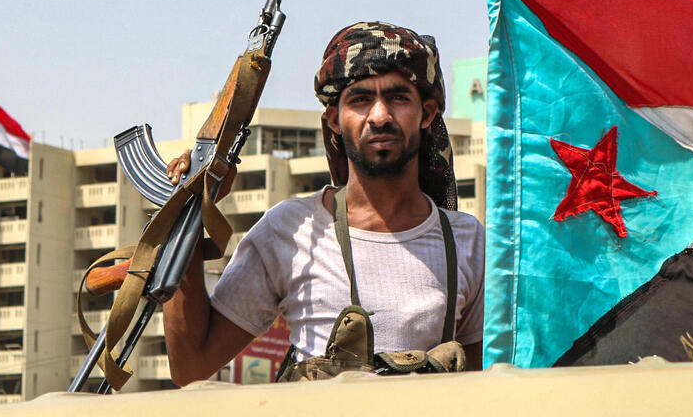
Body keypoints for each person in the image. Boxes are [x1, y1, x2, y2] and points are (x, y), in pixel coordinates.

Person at [163, 21, 485, 385]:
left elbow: (480, 385)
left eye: (397, 98)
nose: (379, 116)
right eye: (360, 100)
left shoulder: (467, 241)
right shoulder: (292, 229)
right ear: (334, 119)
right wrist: (186, 218)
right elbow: (190, 368)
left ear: (427, 114)